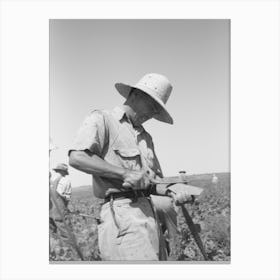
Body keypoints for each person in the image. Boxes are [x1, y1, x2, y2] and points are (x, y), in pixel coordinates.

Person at [68, 73, 190, 260]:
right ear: (136, 95)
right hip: (121, 213)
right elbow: (77, 157)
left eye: (158, 110)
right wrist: (124, 173)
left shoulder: (146, 137)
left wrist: (173, 191)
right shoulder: (103, 119)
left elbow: (152, 182)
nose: (154, 113)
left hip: (149, 215)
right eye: (153, 106)